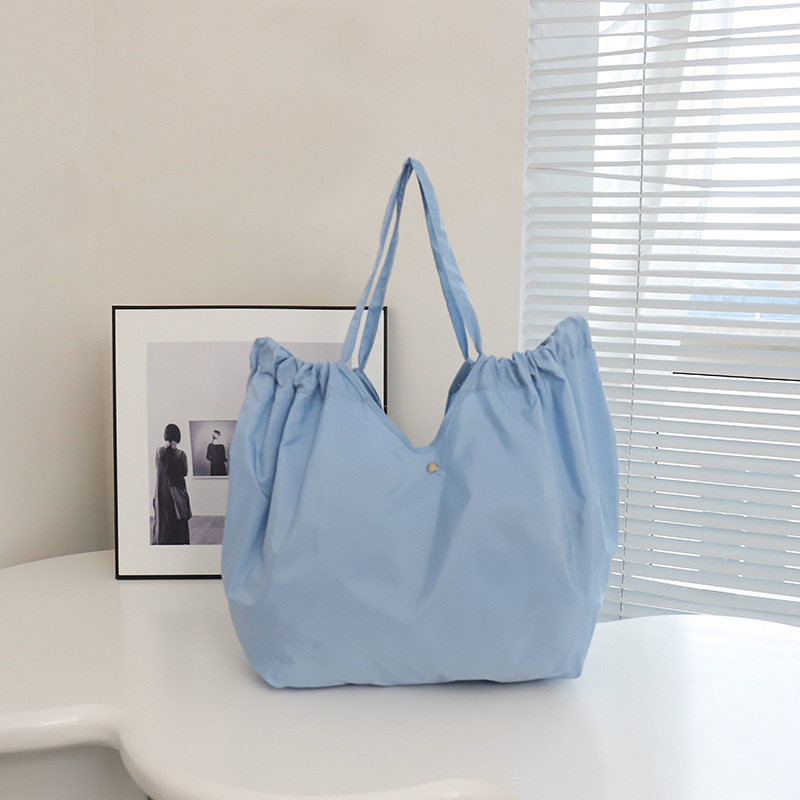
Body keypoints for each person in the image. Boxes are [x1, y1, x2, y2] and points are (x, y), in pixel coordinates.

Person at [152, 423, 192, 545]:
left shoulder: (158, 453)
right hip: (177, 494)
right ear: (178, 436)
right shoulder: (181, 455)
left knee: (163, 521)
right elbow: (184, 472)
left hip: (161, 495)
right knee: (178, 521)